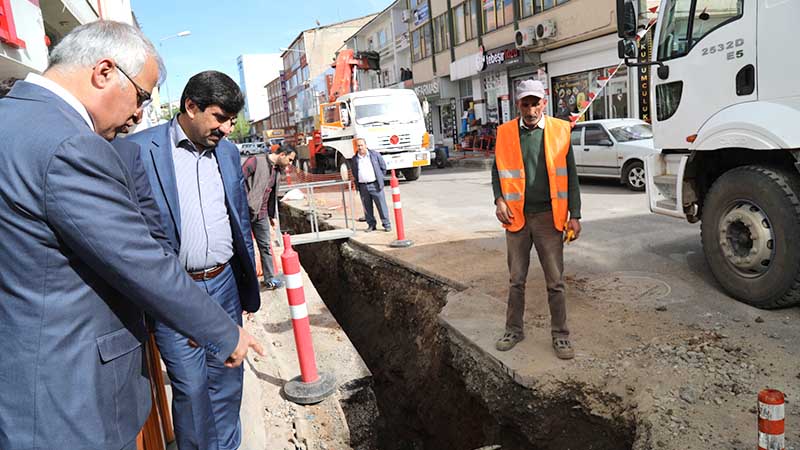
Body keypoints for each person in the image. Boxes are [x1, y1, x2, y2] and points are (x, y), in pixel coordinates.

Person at [0, 21, 263, 450]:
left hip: (29, 383)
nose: (139, 113)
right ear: (104, 72)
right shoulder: (71, 144)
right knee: (192, 394)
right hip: (67, 400)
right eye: (140, 95)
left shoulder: (11, 119)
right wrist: (222, 331)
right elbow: (136, 256)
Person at [126, 70, 260, 450]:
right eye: (220, 118)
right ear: (190, 106)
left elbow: (237, 214)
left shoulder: (230, 152)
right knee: (191, 387)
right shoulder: (138, 150)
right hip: (175, 291)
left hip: (224, 286)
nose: (228, 129)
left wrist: (248, 269)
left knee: (228, 381)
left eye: (232, 120)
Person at [491, 79, 582, 359]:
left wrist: (575, 215)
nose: (530, 109)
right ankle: (513, 330)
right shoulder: (505, 133)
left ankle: (560, 335)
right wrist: (499, 200)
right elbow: (497, 171)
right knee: (516, 279)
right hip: (516, 218)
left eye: (535, 103)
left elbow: (572, 176)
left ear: (544, 102)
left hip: (549, 217)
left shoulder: (559, 130)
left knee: (555, 281)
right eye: (525, 103)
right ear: (517, 104)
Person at [241, 146, 297, 289]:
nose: (290, 163)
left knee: (265, 246)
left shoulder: (277, 171)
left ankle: (269, 278)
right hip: (244, 214)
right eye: (289, 159)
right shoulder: (255, 161)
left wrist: (272, 216)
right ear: (282, 154)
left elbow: (272, 195)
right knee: (245, 248)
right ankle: (247, 281)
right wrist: (244, 201)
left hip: (262, 214)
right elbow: (237, 181)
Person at [352, 138, 392, 232]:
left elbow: (383, 167)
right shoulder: (355, 158)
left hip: (375, 185)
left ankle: (386, 224)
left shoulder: (374, 155)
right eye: (358, 146)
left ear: (366, 145)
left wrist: (380, 178)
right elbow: (354, 171)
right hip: (363, 186)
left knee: (381, 205)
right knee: (367, 207)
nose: (360, 147)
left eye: (362, 145)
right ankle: (371, 225)